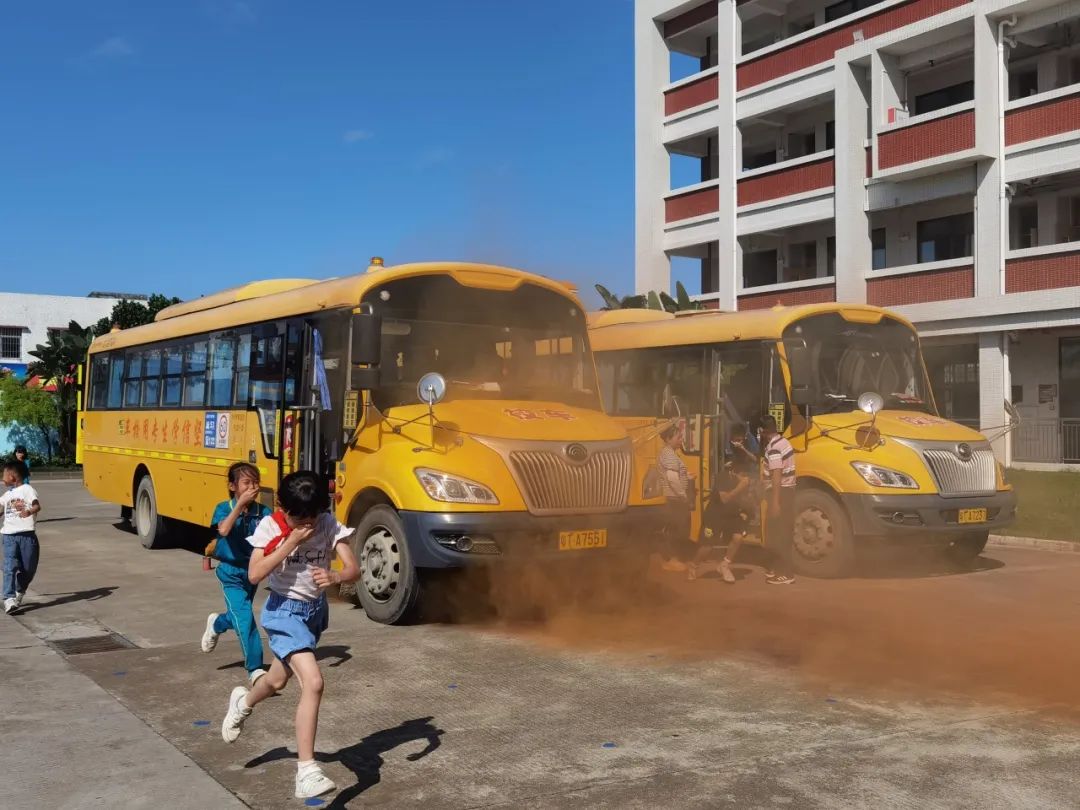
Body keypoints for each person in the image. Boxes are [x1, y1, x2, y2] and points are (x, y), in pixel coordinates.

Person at [221, 470, 361, 800]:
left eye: (312, 516)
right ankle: (307, 771)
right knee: (313, 682)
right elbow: (255, 573)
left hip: (313, 614)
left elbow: (354, 569)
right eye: (298, 516)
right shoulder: (271, 526)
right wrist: (291, 541)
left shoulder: (327, 524)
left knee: (276, 681)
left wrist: (336, 574)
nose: (306, 522)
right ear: (283, 507)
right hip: (283, 613)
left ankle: (243, 701)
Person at [201, 462, 272, 685]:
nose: (253, 487)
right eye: (247, 483)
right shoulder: (224, 507)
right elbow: (223, 529)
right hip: (230, 572)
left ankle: (217, 624)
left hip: (252, 573)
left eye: (256, 482)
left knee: (238, 616)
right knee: (245, 618)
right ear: (233, 486)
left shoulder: (264, 512)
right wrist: (239, 505)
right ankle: (255, 669)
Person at [689, 460, 751, 584]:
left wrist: (745, 512)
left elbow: (745, 500)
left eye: (746, 475)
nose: (744, 478)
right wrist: (740, 487)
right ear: (733, 472)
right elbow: (725, 499)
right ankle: (694, 566)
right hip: (715, 514)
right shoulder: (722, 477)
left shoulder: (744, 482)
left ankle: (724, 565)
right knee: (707, 546)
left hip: (731, 514)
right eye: (742, 474)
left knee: (738, 537)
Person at [760, 414, 797, 585]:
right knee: (779, 533)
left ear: (764, 431)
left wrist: (775, 502)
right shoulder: (784, 442)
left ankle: (785, 574)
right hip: (787, 491)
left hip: (780, 493)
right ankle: (777, 568)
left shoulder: (774, 448)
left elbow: (776, 474)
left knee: (779, 535)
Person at [1, 459, 41, 614]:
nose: (2, 477)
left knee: (29, 568)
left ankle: (20, 589)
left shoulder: (27, 489)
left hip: (27, 536)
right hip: (9, 536)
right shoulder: (6, 495)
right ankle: (8, 599)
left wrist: (29, 512)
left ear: (12, 476)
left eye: (4, 474)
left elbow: (37, 505)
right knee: (9, 567)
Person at [656, 422, 695, 573]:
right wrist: (683, 495)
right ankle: (671, 560)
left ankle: (671, 559)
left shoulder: (669, 453)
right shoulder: (668, 454)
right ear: (668, 439)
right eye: (678, 437)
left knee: (674, 530)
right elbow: (672, 478)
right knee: (677, 531)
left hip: (673, 497)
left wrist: (686, 476)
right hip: (674, 498)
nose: (681, 440)